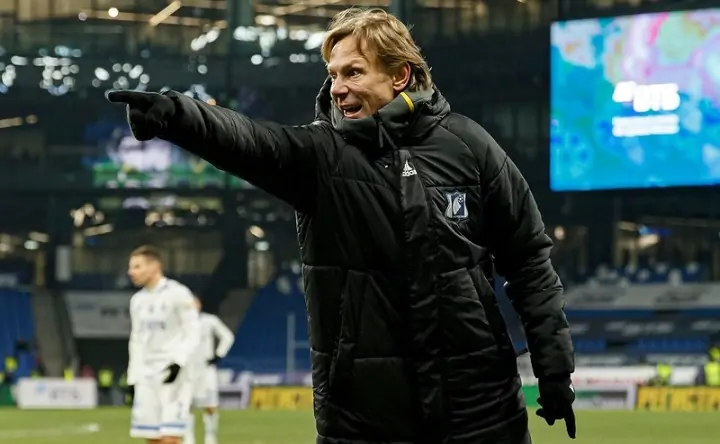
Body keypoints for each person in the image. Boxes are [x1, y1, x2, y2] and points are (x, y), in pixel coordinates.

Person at [107, 8, 575, 443]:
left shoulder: (470, 146)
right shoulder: (322, 156)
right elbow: (252, 141)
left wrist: (553, 366)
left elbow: (529, 258)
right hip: (363, 417)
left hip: (481, 409)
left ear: (399, 75)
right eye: (332, 74)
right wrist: (178, 115)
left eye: (353, 72)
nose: (337, 87)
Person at [126, 245, 201, 444]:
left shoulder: (178, 293)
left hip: (172, 374)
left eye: (137, 266)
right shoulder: (137, 301)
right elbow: (136, 339)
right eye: (131, 267)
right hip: (146, 375)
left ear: (154, 267)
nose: (131, 272)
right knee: (151, 437)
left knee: (169, 437)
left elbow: (193, 330)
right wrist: (133, 377)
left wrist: (179, 362)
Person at [185, 296, 235, 444]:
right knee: (187, 404)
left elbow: (227, 336)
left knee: (210, 404)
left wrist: (218, 355)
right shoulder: (181, 322)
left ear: (200, 304)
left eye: (195, 302)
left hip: (206, 369)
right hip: (187, 369)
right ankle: (188, 437)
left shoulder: (209, 320)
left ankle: (210, 436)